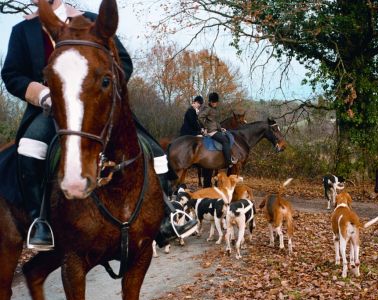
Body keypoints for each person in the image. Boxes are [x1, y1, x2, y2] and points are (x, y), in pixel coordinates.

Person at [1, 0, 196, 250]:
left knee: (156, 152)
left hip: (96, 106)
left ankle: (165, 215)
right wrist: (43, 95)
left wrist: (102, 88)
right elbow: (12, 75)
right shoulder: (22, 30)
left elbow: (123, 61)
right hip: (49, 107)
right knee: (29, 147)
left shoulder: (92, 20)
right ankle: (40, 221)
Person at [198, 92, 237, 167]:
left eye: (217, 102)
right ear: (211, 102)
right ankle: (228, 161)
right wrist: (205, 127)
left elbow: (215, 121)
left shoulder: (213, 109)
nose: (216, 103)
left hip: (215, 130)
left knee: (227, 136)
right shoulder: (208, 108)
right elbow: (200, 117)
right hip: (211, 132)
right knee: (225, 140)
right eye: (215, 102)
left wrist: (220, 128)